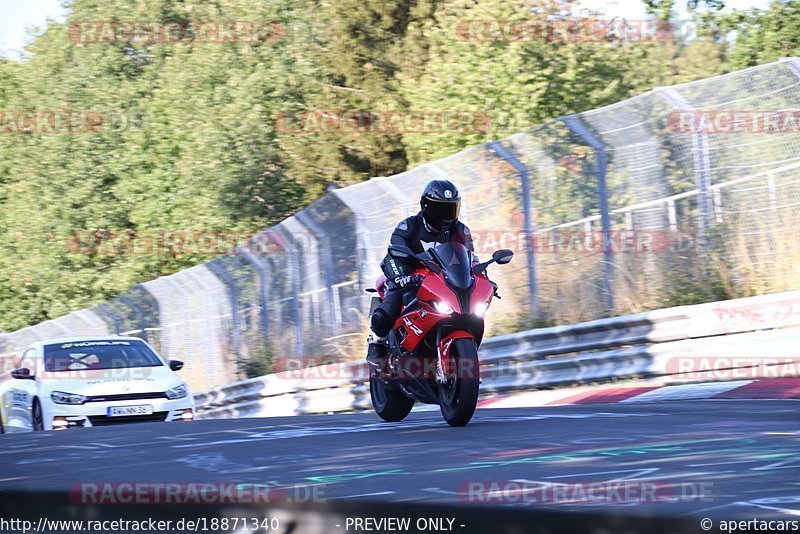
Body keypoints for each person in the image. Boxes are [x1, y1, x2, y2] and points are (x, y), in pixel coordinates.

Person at [366, 179, 475, 369]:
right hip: (407, 275)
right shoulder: (408, 227)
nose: (445, 215)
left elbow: (470, 257)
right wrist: (401, 277)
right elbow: (394, 253)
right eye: (440, 209)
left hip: (441, 279)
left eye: (450, 209)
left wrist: (480, 273)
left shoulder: (460, 230)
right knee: (392, 304)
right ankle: (377, 342)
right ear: (426, 206)